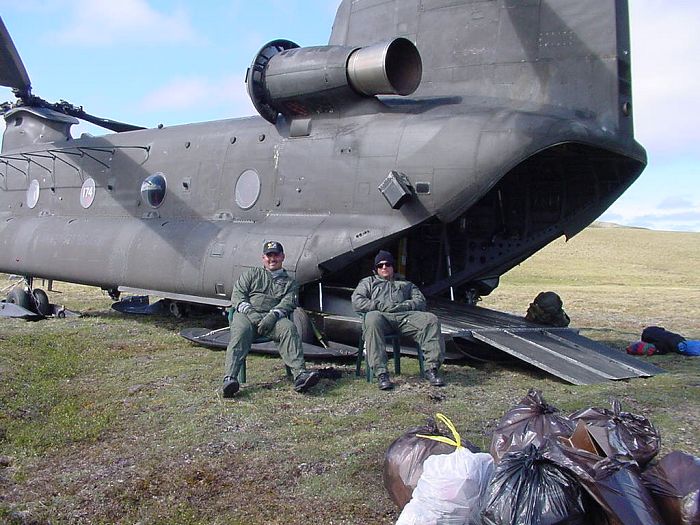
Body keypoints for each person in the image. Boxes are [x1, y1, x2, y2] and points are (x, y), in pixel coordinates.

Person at [222, 241, 320, 398]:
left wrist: (272, 316)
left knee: (288, 328)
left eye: (276, 255)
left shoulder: (290, 283)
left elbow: (288, 302)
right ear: (263, 258)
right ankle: (230, 379)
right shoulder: (252, 274)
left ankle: (300, 375)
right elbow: (238, 295)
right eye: (269, 256)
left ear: (282, 257)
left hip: (272, 319)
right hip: (247, 316)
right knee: (240, 331)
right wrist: (251, 313)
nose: (272, 259)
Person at [351, 250, 445, 390]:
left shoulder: (405, 284)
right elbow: (357, 301)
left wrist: (404, 306)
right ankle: (381, 373)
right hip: (382, 317)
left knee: (430, 319)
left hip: (404, 317)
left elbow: (420, 301)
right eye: (380, 265)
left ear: (393, 266)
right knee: (372, 318)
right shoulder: (368, 282)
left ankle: (431, 369)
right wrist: (380, 306)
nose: (384, 267)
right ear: (376, 269)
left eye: (387, 264)